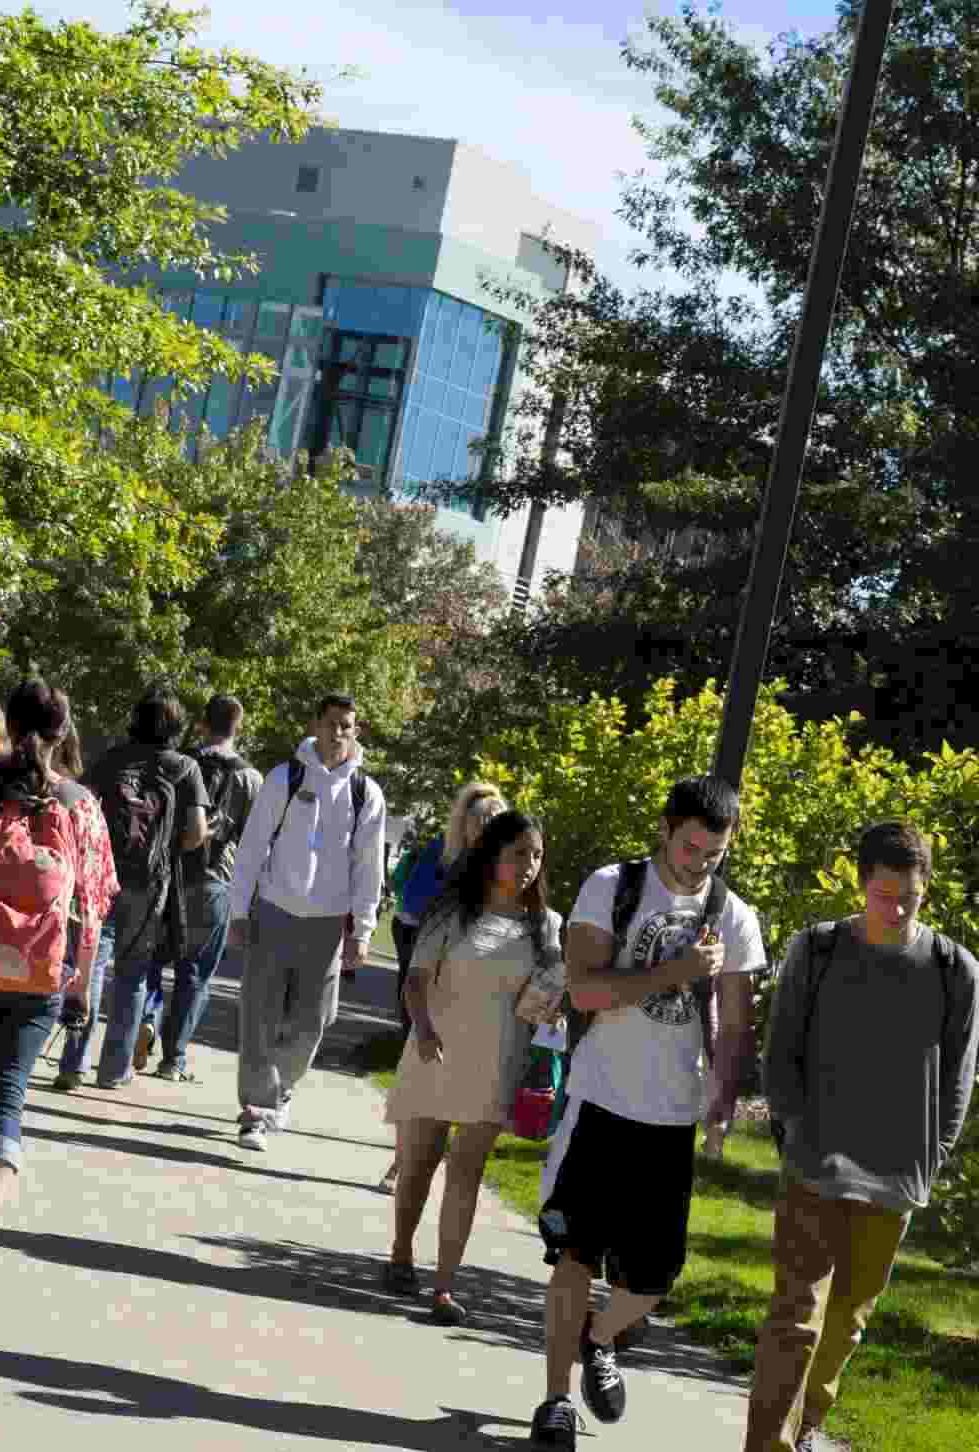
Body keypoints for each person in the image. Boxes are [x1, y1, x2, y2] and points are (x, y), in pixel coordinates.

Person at [529, 775, 766, 1449]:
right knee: (573, 1255)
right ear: (664, 829)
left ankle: (598, 1339)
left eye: (712, 853)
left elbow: (734, 1030)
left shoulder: (734, 916)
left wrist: (721, 1104)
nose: (697, 862)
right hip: (601, 1100)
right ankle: (554, 1403)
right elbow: (582, 991)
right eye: (689, 846)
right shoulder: (612, 886)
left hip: (671, 1118)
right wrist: (673, 971)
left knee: (654, 1278)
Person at [744, 820, 979, 1452]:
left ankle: (810, 1424)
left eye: (910, 896)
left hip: (897, 1172)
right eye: (884, 894)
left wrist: (935, 1153)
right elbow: (780, 1048)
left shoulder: (956, 971)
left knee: (847, 1321)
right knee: (796, 1313)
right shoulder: (816, 949)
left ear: (926, 889)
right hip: (817, 1159)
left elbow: (959, 1074)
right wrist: (793, 1131)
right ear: (861, 883)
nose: (897, 908)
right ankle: (768, 1443)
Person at [383, 809, 565, 1325]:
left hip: (498, 1061)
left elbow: (548, 999)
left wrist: (555, 997)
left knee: (466, 1170)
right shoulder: (452, 913)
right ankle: (401, 1252)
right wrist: (422, 1029)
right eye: (519, 854)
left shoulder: (547, 927)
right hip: (434, 1049)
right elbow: (415, 980)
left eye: (536, 855)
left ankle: (444, 1286)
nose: (529, 865)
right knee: (420, 1161)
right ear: (492, 857)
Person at [229, 692, 385, 1151]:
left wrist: (363, 929)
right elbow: (253, 846)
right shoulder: (286, 777)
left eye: (347, 726)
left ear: (355, 732)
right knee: (259, 1016)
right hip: (274, 910)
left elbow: (368, 866)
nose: (338, 733)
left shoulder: (365, 793)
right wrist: (239, 911)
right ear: (316, 724)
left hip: (328, 922)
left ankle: (282, 1087)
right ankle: (256, 1110)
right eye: (332, 723)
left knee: (312, 1021)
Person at [0, 680, 117, 1209]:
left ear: (11, 723)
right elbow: (91, 906)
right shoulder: (82, 805)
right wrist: (81, 987)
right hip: (42, 973)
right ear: (64, 730)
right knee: (9, 1092)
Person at [379, 782, 506, 1192]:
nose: (484, 828)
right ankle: (402, 1161)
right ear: (465, 824)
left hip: (481, 991)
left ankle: (441, 1160)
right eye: (478, 820)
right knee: (417, 1074)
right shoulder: (443, 857)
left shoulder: (511, 868)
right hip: (432, 981)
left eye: (492, 821)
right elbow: (413, 906)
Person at [134, 693, 263, 1083]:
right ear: (238, 727)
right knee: (195, 973)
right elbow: (257, 841)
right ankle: (174, 1060)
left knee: (151, 959)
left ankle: (147, 1018)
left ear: (202, 724)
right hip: (213, 882)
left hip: (166, 875)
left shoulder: (181, 763)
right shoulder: (251, 778)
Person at [87, 685, 209, 1089]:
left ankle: (72, 1063)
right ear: (176, 725)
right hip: (150, 882)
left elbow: (83, 809)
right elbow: (196, 834)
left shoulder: (111, 759)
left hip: (101, 876)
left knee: (91, 965)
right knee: (133, 973)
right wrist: (169, 843)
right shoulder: (185, 768)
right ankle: (114, 1070)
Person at [52, 722, 121, 1091]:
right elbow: (99, 888)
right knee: (91, 973)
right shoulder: (80, 800)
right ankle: (74, 1062)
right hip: (62, 931)